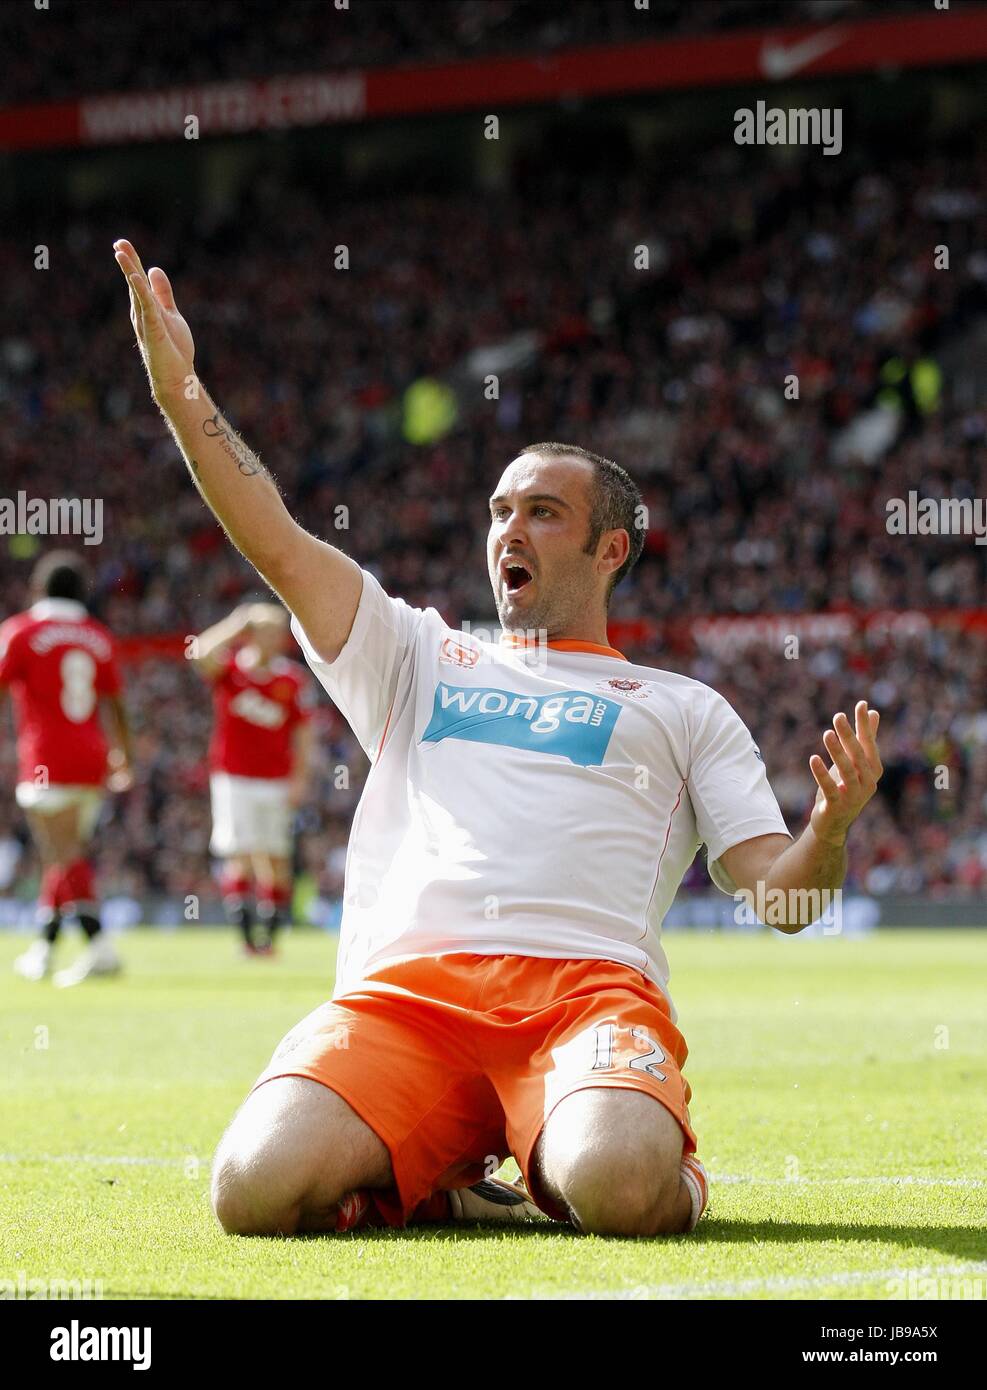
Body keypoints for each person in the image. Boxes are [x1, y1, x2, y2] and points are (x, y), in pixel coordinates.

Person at [114, 239, 883, 1236]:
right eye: (500, 509)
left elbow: (787, 899)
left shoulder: (682, 706)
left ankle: (613, 1165)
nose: (507, 530)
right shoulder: (414, 652)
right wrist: (183, 394)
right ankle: (447, 1169)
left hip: (586, 997)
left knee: (621, 1189)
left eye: (543, 513)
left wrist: (828, 829)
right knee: (251, 1190)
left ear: (611, 548)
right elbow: (278, 540)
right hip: (410, 998)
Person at [0, 551, 132, 987]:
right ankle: (43, 950)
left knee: (62, 854)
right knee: (59, 856)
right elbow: (116, 704)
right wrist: (123, 756)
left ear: (39, 589)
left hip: (45, 759)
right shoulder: (98, 635)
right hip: (91, 756)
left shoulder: (20, 631)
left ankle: (101, 950)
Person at [192, 602, 312, 955]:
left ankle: (270, 938)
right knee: (239, 853)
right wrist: (235, 620)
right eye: (269, 632)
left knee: (274, 857)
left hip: (275, 780)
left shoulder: (291, 679)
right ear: (251, 635)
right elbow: (199, 652)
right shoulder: (229, 670)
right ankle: (246, 939)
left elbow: (303, 735)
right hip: (233, 778)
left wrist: (299, 779)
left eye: (280, 633)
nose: (277, 640)